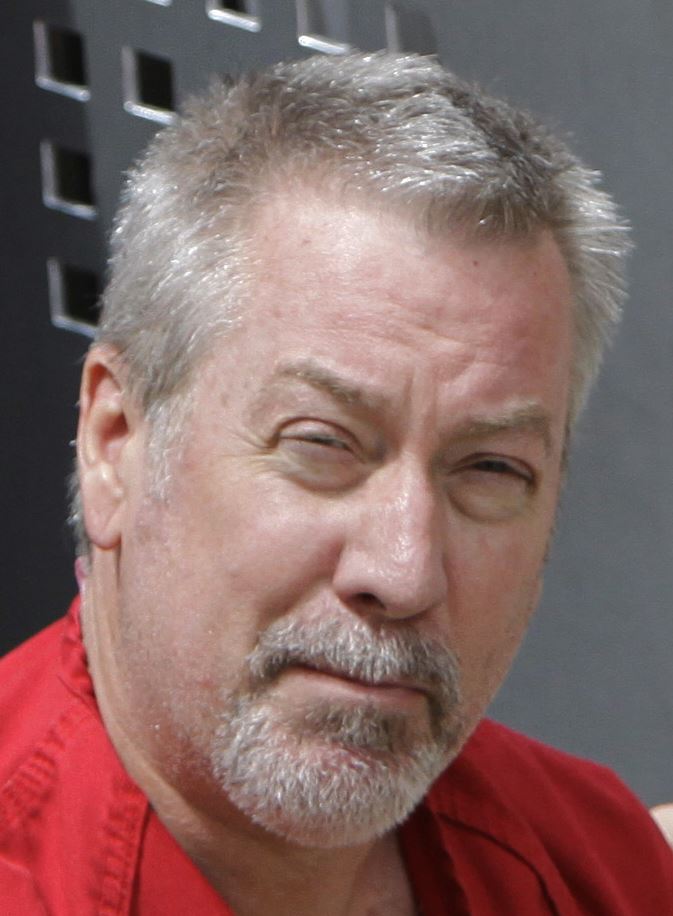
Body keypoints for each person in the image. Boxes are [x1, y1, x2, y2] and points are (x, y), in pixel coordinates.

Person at [0, 52, 671, 915]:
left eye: (489, 468)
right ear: (115, 443)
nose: (403, 571)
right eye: (322, 444)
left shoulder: (586, 868)